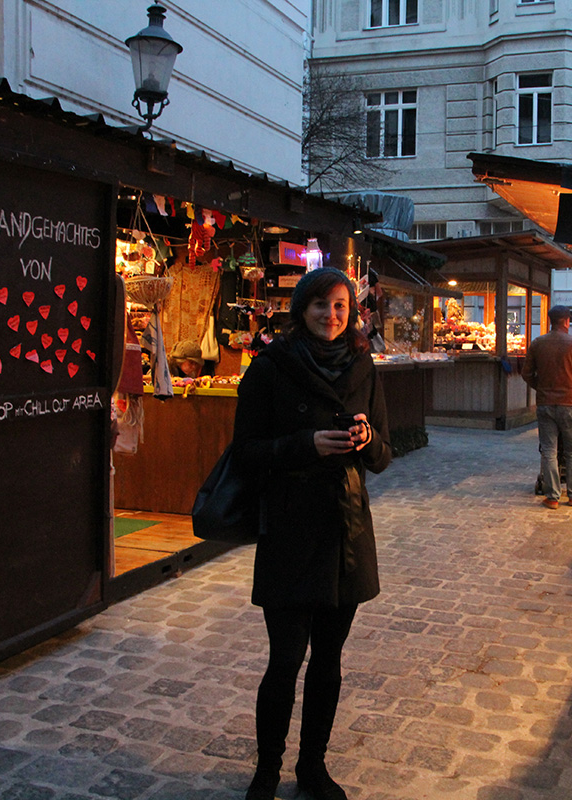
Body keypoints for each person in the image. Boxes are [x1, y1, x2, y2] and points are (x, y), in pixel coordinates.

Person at [230, 267, 392, 800]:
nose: (332, 314)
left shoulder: (363, 365)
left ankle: (313, 767)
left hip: (345, 532)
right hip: (291, 532)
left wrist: (366, 439)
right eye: (321, 304)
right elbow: (246, 452)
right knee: (284, 661)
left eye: (341, 305)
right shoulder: (270, 368)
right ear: (302, 308)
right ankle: (266, 773)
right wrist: (305, 445)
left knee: (329, 660)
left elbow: (384, 456)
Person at [522, 305, 572, 509]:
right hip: (570, 404)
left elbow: (526, 373)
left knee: (548, 450)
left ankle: (552, 496)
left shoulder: (538, 344)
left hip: (545, 403)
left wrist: (542, 388)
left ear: (550, 321)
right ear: (567, 321)